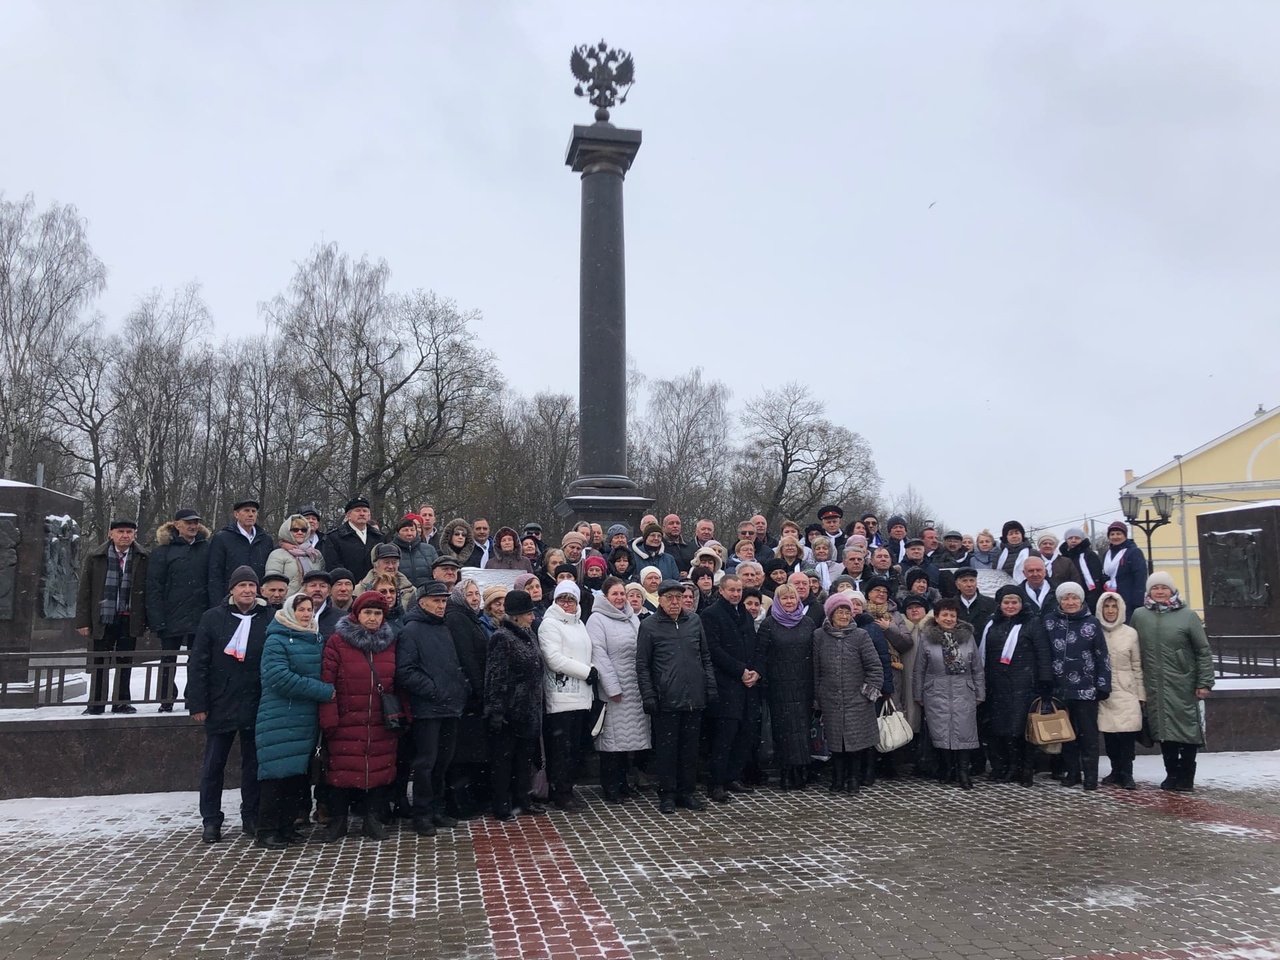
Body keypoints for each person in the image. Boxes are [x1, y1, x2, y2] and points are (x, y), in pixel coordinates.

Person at [188, 565, 273, 841]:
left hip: (256, 700)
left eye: (251, 586)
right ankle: (211, 820)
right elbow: (199, 663)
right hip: (221, 701)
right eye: (242, 586)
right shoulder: (213, 619)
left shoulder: (269, 618)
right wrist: (198, 703)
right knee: (214, 766)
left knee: (253, 765)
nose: (247, 591)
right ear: (231, 590)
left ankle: (251, 815)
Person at [318, 590, 403, 842]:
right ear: (357, 614)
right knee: (340, 771)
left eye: (378, 613)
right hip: (346, 719)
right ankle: (338, 821)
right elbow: (327, 681)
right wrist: (329, 719)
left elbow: (397, 682)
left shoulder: (390, 643)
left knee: (378, 771)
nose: (373, 618)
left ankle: (371, 819)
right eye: (368, 612)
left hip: (380, 719)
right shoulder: (337, 642)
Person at [254, 593, 334, 849]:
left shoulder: (314, 638)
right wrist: (323, 691)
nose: (306, 614)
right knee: (275, 776)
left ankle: (286, 827)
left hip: (304, 719)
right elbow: (278, 677)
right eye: (300, 609)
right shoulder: (276, 640)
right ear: (290, 611)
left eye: (309, 609)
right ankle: (266, 830)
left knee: (295, 777)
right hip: (280, 716)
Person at [395, 580, 469, 835]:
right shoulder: (411, 630)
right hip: (427, 709)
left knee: (443, 762)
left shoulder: (444, 627)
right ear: (422, 602)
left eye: (444, 600)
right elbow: (405, 670)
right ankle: (422, 814)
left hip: (450, 706)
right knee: (426, 763)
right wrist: (433, 690)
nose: (441, 605)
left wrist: (460, 687)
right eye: (436, 600)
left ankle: (437, 808)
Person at [636, 579, 716, 814]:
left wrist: (709, 687)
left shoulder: (694, 621)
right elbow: (643, 664)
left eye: (679, 597)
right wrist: (649, 694)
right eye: (669, 597)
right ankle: (667, 793)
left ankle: (686, 791)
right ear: (659, 600)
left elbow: (705, 657)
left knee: (690, 749)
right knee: (667, 750)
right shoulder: (650, 625)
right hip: (666, 697)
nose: (675, 602)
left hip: (694, 696)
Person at [1131, 571, 1213, 792]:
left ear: (1172, 590)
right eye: (1155, 588)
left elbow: (1202, 651)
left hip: (1183, 682)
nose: (1159, 591)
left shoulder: (1187, 616)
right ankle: (1171, 773)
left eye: (1163, 588)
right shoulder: (1140, 615)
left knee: (1187, 731)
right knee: (1164, 732)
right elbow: (1133, 649)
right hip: (1154, 684)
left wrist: (1204, 682)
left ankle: (1186, 776)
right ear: (1149, 591)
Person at [484, 589, 547, 820]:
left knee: (524, 759)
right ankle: (502, 804)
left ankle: (524, 799)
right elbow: (496, 676)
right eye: (529, 613)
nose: (533, 617)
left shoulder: (528, 634)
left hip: (529, 708)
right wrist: (497, 710)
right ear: (517, 615)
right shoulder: (502, 637)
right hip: (510, 710)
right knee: (504, 760)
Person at [813, 592, 884, 794]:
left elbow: (874, 667)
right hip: (830, 698)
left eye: (847, 612)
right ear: (830, 614)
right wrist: (817, 696)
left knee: (856, 743)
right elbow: (816, 669)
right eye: (839, 612)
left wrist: (867, 693)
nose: (844, 616)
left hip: (857, 698)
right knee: (836, 743)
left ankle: (854, 780)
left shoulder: (860, 635)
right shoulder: (819, 636)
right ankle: (837, 779)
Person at [77, 518, 149, 714]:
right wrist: (83, 621)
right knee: (100, 662)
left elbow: (149, 591)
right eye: (120, 532)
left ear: (135, 534)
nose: (125, 536)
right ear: (111, 534)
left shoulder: (143, 557)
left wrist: (147, 620)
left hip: (129, 617)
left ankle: (121, 702)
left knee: (125, 662)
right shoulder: (96, 557)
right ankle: (96, 704)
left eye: (129, 532)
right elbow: (85, 591)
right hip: (103, 617)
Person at [1044, 582, 1111, 790]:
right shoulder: (1050, 622)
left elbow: (1102, 655)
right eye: (1066, 598)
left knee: (1088, 735)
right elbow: (1044, 653)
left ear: (1081, 600)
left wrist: (1103, 683)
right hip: (1059, 688)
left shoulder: (1091, 623)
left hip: (1086, 688)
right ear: (1060, 601)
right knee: (1066, 734)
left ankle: (1090, 775)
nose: (1070, 602)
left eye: (1074, 598)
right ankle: (1072, 772)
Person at [587, 576, 649, 802]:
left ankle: (623, 783)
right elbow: (598, 654)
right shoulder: (597, 620)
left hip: (635, 688)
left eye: (622, 594)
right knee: (612, 741)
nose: (620, 598)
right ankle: (610, 785)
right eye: (615, 594)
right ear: (605, 597)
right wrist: (612, 686)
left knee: (628, 741)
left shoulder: (633, 619)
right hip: (614, 690)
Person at [981, 586, 1051, 786]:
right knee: (999, 730)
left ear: (1021, 604)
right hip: (996, 685)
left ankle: (1024, 769)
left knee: (1021, 730)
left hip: (1023, 685)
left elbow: (1043, 654)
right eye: (1006, 602)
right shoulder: (992, 624)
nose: (1010, 606)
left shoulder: (1032, 623)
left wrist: (1045, 683)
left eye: (1015, 602)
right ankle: (1004, 766)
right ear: (1000, 604)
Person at [701, 574, 762, 803]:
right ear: (722, 591)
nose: (736, 594)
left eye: (739, 590)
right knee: (723, 738)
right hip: (726, 685)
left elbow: (754, 645)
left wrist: (755, 670)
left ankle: (732, 776)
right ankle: (716, 783)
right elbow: (713, 650)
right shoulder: (711, 615)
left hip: (748, 685)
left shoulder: (743, 613)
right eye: (732, 590)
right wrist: (740, 670)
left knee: (744, 735)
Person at [913, 597, 984, 789]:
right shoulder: (927, 638)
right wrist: (918, 694)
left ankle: (963, 771)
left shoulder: (967, 637)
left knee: (965, 732)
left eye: (952, 615)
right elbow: (919, 668)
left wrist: (980, 693)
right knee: (942, 732)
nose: (949, 618)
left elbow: (977, 667)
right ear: (936, 617)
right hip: (936, 691)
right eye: (944, 614)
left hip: (964, 691)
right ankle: (947, 768)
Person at [538, 581, 596, 811]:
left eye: (571, 599)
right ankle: (559, 793)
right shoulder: (549, 624)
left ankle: (568, 788)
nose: (566, 603)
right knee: (561, 749)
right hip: (562, 697)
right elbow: (553, 659)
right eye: (562, 599)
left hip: (582, 695)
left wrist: (591, 668)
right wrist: (587, 672)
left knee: (574, 749)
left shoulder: (580, 623)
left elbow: (585, 653)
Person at [147, 508, 211, 712]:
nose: (193, 526)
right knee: (168, 660)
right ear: (177, 525)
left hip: (200, 614)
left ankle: (193, 697)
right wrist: (157, 619)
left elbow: (212, 581)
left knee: (198, 660)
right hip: (171, 615)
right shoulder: (163, 551)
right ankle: (166, 699)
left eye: (196, 522)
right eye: (188, 522)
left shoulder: (207, 549)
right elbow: (154, 587)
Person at [756, 583, 815, 791]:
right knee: (783, 731)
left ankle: (802, 771)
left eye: (792, 598)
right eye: (784, 599)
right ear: (778, 602)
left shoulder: (808, 623)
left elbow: (815, 656)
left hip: (804, 684)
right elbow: (761, 656)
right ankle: (786, 771)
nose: (789, 602)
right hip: (778, 685)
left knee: (802, 730)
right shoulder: (769, 625)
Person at [443, 577, 490, 817]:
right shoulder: (457, 618)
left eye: (477, 593)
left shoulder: (470, 618)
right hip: (467, 696)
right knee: (461, 754)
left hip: (471, 695)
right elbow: (467, 657)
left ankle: (466, 799)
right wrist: (480, 690)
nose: (474, 598)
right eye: (470, 594)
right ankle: (457, 802)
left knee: (470, 752)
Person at [1095, 592, 1145, 790]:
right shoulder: (1094, 630)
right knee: (1109, 735)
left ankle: (1127, 774)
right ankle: (1115, 771)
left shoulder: (1130, 633)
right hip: (1104, 691)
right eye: (1106, 606)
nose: (1110, 610)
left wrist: (1141, 694)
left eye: (1113, 606)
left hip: (1126, 690)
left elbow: (1137, 665)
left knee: (1126, 736)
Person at [207, 499, 273, 608]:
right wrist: (218, 604)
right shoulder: (222, 538)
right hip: (229, 600)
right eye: (246, 511)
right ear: (236, 514)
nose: (251, 514)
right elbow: (215, 574)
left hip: (258, 600)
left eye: (253, 511)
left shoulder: (265, 539)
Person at [321, 496, 384, 585]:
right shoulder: (334, 537)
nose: (362, 514)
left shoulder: (378, 536)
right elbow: (333, 566)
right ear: (348, 515)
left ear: (369, 515)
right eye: (357, 510)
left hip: (375, 585)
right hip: (347, 587)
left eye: (365, 511)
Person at [265, 514, 326, 596]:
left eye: (304, 530)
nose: (300, 533)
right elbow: (272, 583)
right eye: (295, 530)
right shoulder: (277, 555)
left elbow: (322, 580)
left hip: (312, 602)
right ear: (287, 532)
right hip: (287, 603)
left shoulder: (315, 554)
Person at [1102, 521, 1148, 622]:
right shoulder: (1107, 554)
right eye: (1112, 534)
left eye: (1119, 534)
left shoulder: (1133, 552)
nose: (1115, 537)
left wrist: (1137, 602)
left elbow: (1140, 576)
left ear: (1125, 535)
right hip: (1110, 597)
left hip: (1128, 599)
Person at [1057, 527, 1107, 611]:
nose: (1073, 540)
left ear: (1082, 540)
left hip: (1090, 594)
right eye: (1070, 538)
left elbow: (1096, 576)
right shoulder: (1063, 557)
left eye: (1077, 538)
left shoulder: (1090, 555)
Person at [390, 516, 438, 586]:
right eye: (405, 530)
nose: (409, 533)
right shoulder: (391, 550)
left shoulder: (429, 549)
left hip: (427, 592)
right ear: (398, 533)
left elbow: (437, 571)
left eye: (412, 530)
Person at [954, 567, 996, 636]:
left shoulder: (991, 604)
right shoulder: (950, 605)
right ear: (957, 585)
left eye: (972, 580)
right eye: (964, 581)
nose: (969, 585)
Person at [318, 568, 355, 638]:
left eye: (348, 584)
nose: (343, 589)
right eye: (338, 584)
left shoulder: (361, 610)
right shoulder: (321, 610)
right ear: (329, 589)